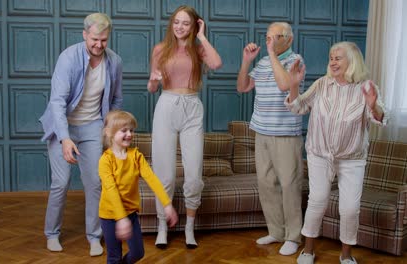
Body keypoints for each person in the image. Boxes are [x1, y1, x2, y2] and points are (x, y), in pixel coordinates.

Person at [286, 42, 388, 264]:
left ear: (352, 61)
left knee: (350, 208)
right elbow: (298, 107)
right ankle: (308, 251)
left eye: (338, 58)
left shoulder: (367, 88)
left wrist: (373, 105)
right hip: (320, 155)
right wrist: (294, 86)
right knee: (318, 201)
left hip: (352, 159)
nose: (333, 61)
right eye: (331, 57)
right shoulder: (322, 84)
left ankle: (346, 256)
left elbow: (380, 120)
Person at [39, 13, 123, 256]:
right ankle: (52, 234)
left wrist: (108, 129)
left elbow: (116, 99)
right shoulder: (68, 58)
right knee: (61, 182)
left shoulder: (114, 61)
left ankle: (94, 237)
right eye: (95, 39)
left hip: (92, 126)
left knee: (95, 183)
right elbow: (57, 101)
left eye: (104, 40)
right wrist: (65, 138)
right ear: (85, 34)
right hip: (62, 124)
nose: (99, 45)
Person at [147, 5, 222, 249]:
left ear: (194, 26)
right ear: (172, 24)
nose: (180, 27)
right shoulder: (160, 49)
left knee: (193, 174)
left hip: (192, 107)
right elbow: (151, 88)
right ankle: (162, 226)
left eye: (186, 23)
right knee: (165, 173)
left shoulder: (198, 50)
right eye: (176, 22)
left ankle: (189, 227)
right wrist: (153, 80)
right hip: (166, 105)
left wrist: (202, 36)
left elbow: (217, 63)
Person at [236, 22, 305, 256]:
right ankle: (276, 231)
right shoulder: (264, 61)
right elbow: (242, 86)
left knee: (289, 185)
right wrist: (247, 60)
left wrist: (272, 54)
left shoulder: (295, 60)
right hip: (261, 130)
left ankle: (293, 236)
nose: (270, 41)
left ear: (288, 39)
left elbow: (285, 85)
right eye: (267, 37)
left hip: (286, 133)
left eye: (275, 37)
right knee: (266, 184)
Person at [98, 110, 178, 263]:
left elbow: (152, 179)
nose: (129, 134)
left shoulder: (136, 156)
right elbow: (111, 190)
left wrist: (167, 205)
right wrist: (121, 219)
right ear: (109, 133)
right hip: (109, 215)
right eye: (124, 130)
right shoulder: (105, 161)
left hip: (131, 214)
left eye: (131, 130)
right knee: (114, 257)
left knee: (138, 253)